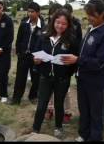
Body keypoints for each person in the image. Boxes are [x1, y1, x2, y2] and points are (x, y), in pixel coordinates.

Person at [73, 0, 104, 141]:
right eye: (88, 14)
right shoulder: (91, 29)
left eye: (93, 15)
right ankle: (83, 134)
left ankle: (95, 138)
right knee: (84, 109)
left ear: (103, 13)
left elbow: (100, 62)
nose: (89, 18)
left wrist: (78, 60)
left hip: (97, 82)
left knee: (96, 113)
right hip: (82, 78)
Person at [32, 9, 79, 139]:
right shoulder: (44, 36)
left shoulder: (71, 40)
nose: (60, 26)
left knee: (59, 104)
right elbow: (35, 52)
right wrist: (36, 60)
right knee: (42, 104)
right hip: (45, 77)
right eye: (58, 22)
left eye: (64, 24)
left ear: (68, 25)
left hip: (62, 79)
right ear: (53, 22)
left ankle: (58, 127)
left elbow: (76, 59)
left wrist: (70, 66)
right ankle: (35, 128)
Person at [9, 2, 45, 105]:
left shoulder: (43, 26)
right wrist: (19, 52)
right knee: (20, 78)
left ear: (38, 12)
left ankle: (33, 96)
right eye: (28, 11)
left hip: (35, 57)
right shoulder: (24, 23)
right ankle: (16, 99)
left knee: (36, 78)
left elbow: (44, 43)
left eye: (32, 11)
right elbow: (19, 38)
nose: (29, 13)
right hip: (23, 55)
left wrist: (39, 56)